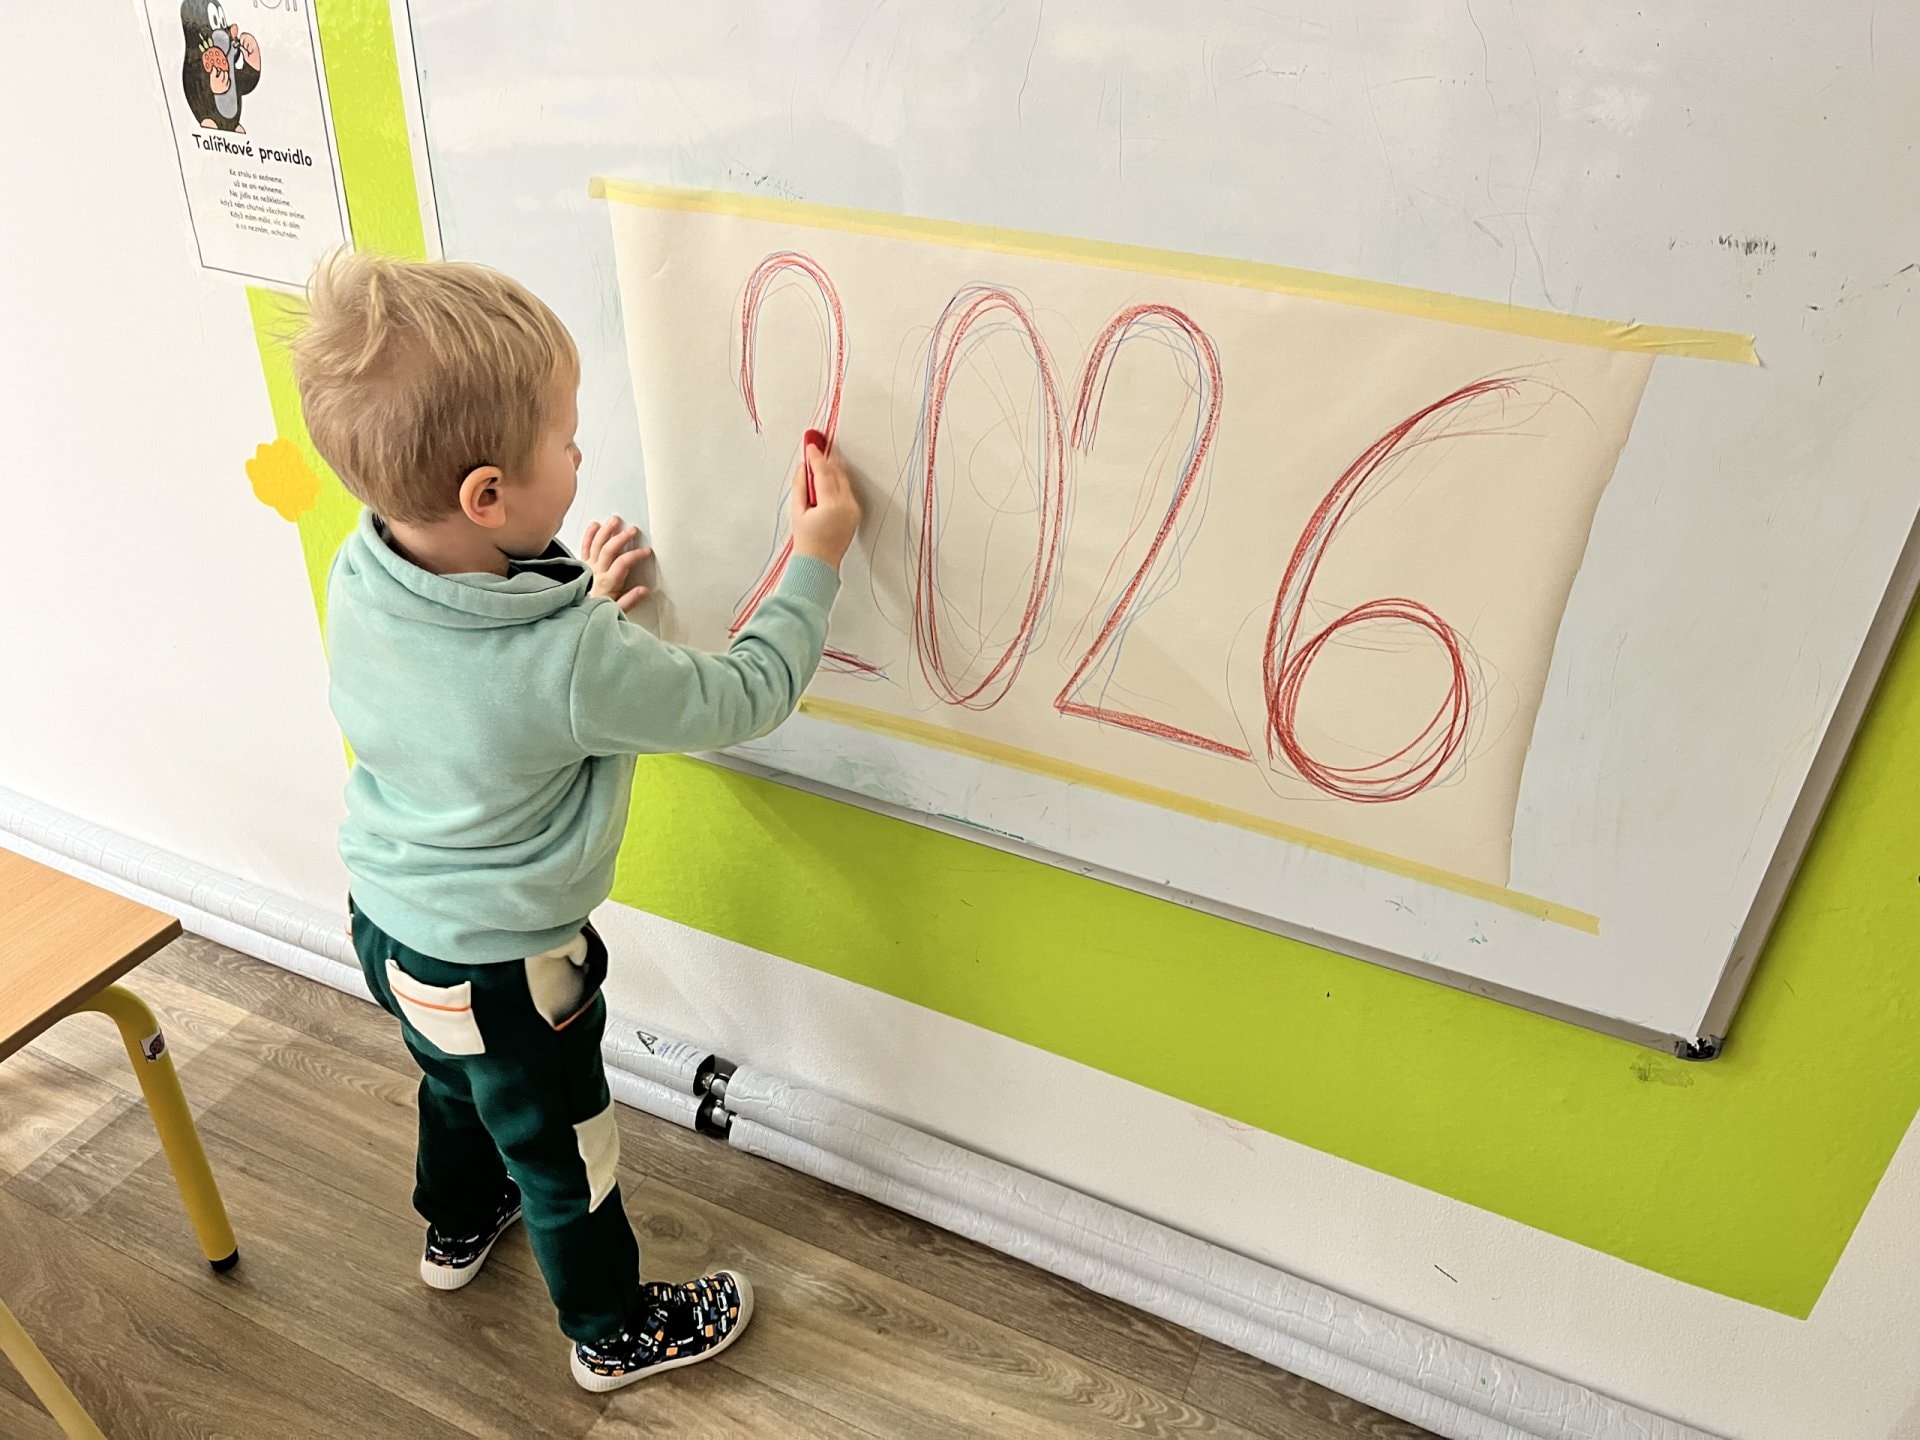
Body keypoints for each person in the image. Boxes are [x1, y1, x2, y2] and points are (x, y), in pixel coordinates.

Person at [289, 249, 858, 1392]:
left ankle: (455, 1226)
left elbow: (482, 677)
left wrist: (573, 592)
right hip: (510, 970)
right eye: (565, 438)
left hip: (389, 927)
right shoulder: (574, 661)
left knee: (455, 1087)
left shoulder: (367, 567)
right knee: (568, 1152)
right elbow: (747, 693)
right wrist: (816, 559)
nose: (583, 454)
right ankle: (611, 1329)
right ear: (486, 498)